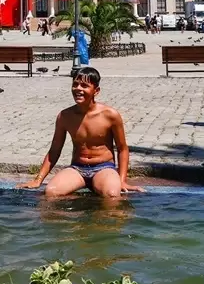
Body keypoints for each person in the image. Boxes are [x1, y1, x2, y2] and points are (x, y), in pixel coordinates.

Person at [16, 67, 143, 198]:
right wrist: (38, 180)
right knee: (51, 192)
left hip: (104, 168)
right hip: (77, 168)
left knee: (111, 194)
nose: (78, 89)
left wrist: (122, 181)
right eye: (75, 84)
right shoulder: (65, 116)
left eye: (84, 85)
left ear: (96, 91)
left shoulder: (110, 115)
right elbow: (54, 150)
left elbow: (122, 149)